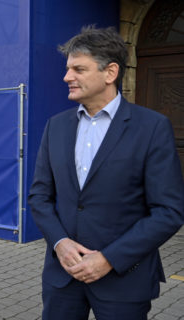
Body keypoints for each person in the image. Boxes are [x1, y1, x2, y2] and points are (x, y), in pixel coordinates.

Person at [28, 26, 184, 320]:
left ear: (110, 72)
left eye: (78, 69)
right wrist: (59, 243)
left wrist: (109, 259)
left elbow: (168, 211)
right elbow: (39, 196)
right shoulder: (56, 126)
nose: (67, 77)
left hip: (124, 281)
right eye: (67, 69)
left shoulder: (151, 128)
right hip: (63, 277)